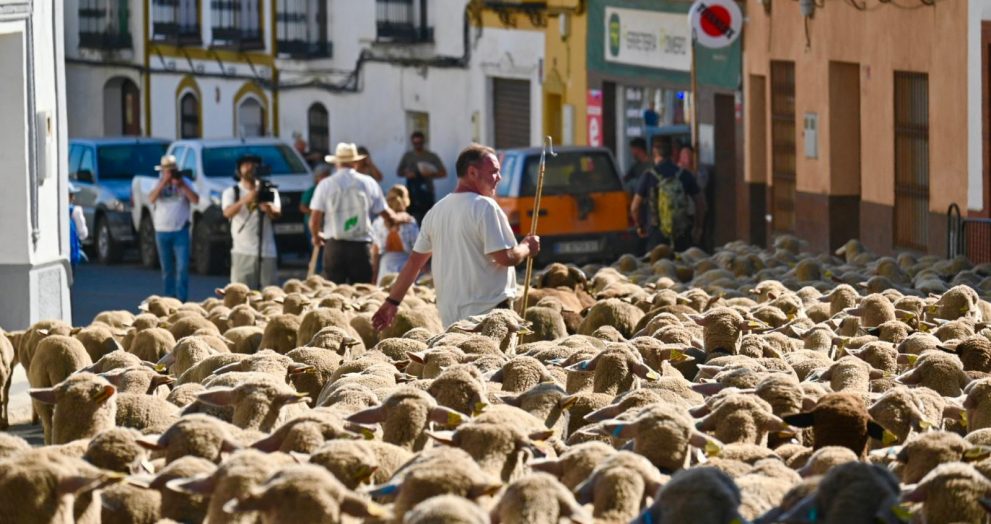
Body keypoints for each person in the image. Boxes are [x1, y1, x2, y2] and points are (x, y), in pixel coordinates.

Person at [372, 144, 541, 330]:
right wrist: (527, 246)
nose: (499, 178)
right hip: (489, 315)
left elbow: (414, 263)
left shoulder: (436, 211)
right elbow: (506, 257)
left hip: (451, 318)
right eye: (493, 172)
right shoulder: (485, 207)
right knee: (492, 360)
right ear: (472, 172)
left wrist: (392, 302)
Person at [310, 142, 412, 284]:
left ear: (337, 163)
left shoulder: (326, 184)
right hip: (360, 247)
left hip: (334, 246)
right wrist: (399, 218)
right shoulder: (367, 183)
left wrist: (316, 236)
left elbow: (315, 219)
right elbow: (386, 214)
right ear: (355, 162)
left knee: (332, 290)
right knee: (362, 292)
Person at [630, 136, 704, 252]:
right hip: (681, 235)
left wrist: (640, 226)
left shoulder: (648, 176)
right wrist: (698, 227)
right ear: (672, 152)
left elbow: (635, 207)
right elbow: (700, 203)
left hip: (655, 236)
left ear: (654, 152)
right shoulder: (684, 175)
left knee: (658, 268)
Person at [222, 154, 282, 289]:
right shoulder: (232, 192)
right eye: (246, 165)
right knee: (241, 294)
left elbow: (277, 213)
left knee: (270, 295)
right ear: (239, 170)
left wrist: (267, 207)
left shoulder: (269, 189)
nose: (250, 168)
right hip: (242, 251)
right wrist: (246, 199)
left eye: (254, 165)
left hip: (267, 251)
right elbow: (227, 213)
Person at [148, 154, 199, 302]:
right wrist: (164, 182)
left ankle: (181, 298)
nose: (169, 174)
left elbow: (195, 200)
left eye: (172, 170)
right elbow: (151, 199)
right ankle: (169, 298)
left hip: (180, 230)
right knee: (167, 269)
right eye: (167, 171)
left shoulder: (185, 182)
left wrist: (181, 184)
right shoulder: (157, 183)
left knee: (182, 267)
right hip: (162, 230)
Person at [371, 185, 420, 286]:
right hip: (406, 265)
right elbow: (418, 249)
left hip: (385, 266)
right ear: (406, 200)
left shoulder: (378, 223)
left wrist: (374, 275)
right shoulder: (410, 223)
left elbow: (375, 251)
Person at [397, 131, 447, 224]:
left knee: (428, 219)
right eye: (415, 143)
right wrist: (407, 173)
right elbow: (399, 172)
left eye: (420, 143)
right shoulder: (408, 156)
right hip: (411, 192)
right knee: (412, 220)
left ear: (424, 142)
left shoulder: (431, 156)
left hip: (426, 191)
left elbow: (443, 173)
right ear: (412, 143)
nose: (417, 145)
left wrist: (430, 174)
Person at [68, 183, 88, 268]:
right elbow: (83, 234)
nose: (74, 198)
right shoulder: (75, 211)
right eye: (72, 195)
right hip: (72, 255)